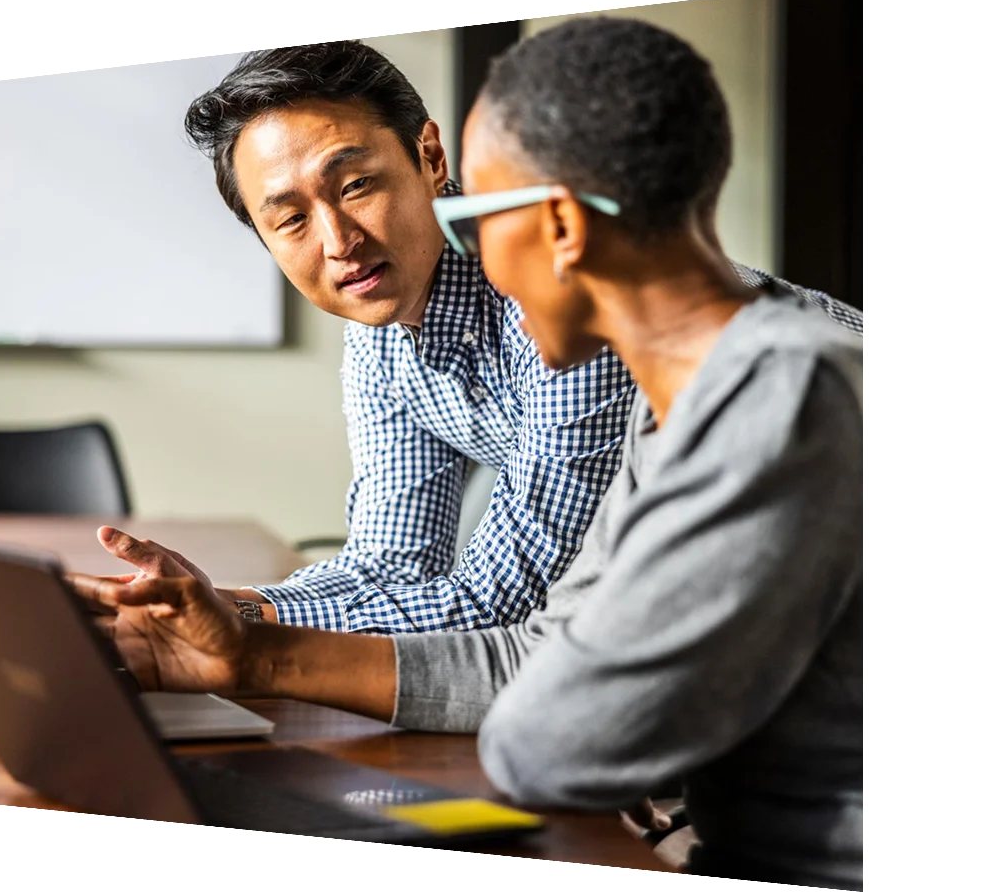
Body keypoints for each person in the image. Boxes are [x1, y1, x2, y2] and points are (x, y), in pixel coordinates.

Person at [70, 17, 868, 888]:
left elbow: (557, 726)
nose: (473, 255)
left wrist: (269, 650)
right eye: (291, 218)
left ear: (555, 223)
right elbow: (537, 653)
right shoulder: (682, 406)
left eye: (481, 210)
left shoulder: (778, 396)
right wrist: (247, 638)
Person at [67, 38, 863, 637]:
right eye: (292, 219)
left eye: (356, 185)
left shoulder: (560, 296)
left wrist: (241, 632)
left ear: (430, 156)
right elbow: (393, 562)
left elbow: (507, 598)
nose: (338, 240)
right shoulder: (382, 331)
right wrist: (221, 606)